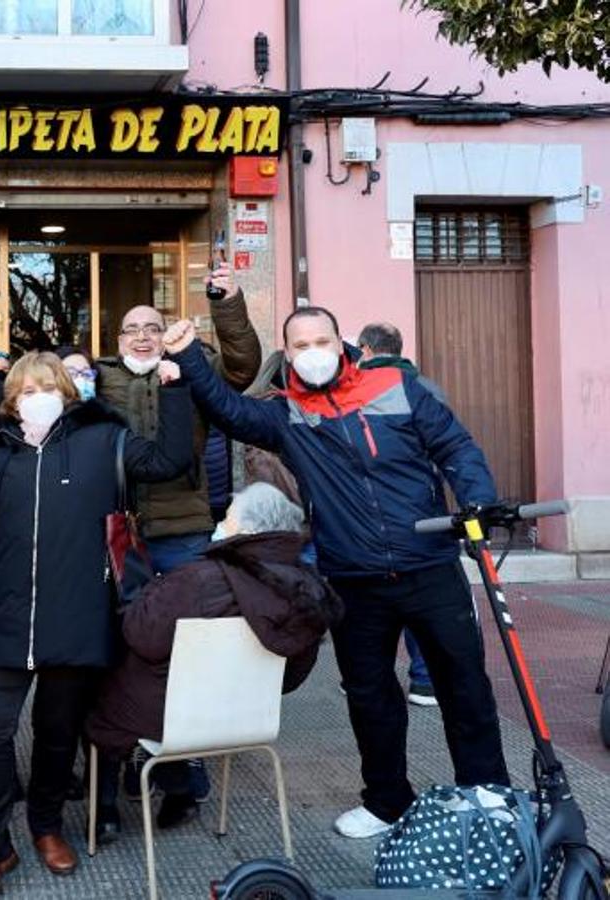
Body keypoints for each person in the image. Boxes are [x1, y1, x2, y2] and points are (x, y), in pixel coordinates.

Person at [163, 280, 510, 840]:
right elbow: (228, 411)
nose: (312, 352)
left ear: (340, 342)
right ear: (289, 354)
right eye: (299, 345)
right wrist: (186, 355)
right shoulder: (285, 414)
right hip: (354, 578)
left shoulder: (396, 385)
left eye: (321, 339)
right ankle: (386, 801)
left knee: (464, 684)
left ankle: (487, 790)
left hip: (430, 565)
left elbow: (455, 445)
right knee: (370, 696)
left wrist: (475, 499)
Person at [0, 352, 192, 899]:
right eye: (25, 389)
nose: (36, 396)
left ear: (68, 393)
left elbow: (170, 460)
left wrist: (176, 390)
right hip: (4, 616)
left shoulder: (102, 441)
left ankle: (46, 825)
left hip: (77, 615)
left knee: (57, 734)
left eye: (47, 386)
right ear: (11, 401)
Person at [86, 483, 342, 828]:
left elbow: (142, 635)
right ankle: (180, 792)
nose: (220, 523)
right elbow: (292, 676)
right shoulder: (307, 587)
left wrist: (139, 598)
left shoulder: (198, 579)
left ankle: (104, 813)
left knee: (107, 685)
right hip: (246, 717)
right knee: (163, 686)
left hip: (174, 715)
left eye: (228, 518)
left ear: (249, 531)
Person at [95, 289, 261, 574]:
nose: (142, 337)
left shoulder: (193, 369)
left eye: (152, 329)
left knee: (187, 612)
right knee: (123, 616)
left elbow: (241, 368)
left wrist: (227, 303)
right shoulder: (98, 377)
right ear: (120, 340)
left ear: (165, 336)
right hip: (115, 526)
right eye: (132, 330)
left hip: (184, 527)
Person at [357, 322, 443, 708]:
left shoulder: (356, 391)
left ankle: (366, 678)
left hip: (371, 514)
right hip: (424, 510)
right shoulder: (428, 387)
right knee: (420, 601)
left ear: (365, 349)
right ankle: (425, 682)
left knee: (373, 605)